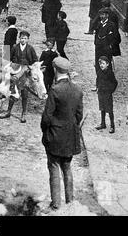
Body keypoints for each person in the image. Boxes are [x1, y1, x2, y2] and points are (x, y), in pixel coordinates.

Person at [41, 57, 83, 211]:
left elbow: (47, 117)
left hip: (55, 137)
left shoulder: (55, 90)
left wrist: (46, 132)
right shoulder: (78, 90)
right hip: (71, 137)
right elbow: (79, 115)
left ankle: (56, 204)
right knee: (67, 166)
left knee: (53, 168)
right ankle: (70, 200)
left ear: (55, 70)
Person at [0, 30, 38, 123]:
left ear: (28, 39)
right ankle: (8, 111)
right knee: (13, 91)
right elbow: (8, 59)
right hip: (15, 73)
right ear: (19, 38)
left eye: (25, 38)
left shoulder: (31, 48)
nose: (23, 40)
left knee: (24, 94)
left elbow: (35, 61)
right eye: (21, 38)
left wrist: (31, 68)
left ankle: (24, 113)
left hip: (25, 75)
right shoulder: (15, 47)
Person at [95, 56, 118, 134]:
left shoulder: (110, 73)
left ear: (107, 64)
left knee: (110, 110)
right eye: (100, 63)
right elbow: (97, 80)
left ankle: (112, 126)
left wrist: (110, 91)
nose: (101, 65)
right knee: (102, 109)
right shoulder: (99, 72)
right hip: (101, 93)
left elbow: (115, 83)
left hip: (107, 94)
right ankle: (103, 123)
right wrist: (97, 87)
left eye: (103, 63)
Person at [94, 8, 119, 74]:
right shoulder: (99, 24)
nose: (101, 16)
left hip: (107, 48)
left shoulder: (112, 25)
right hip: (99, 48)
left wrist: (111, 45)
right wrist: (96, 43)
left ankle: (108, 79)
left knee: (107, 64)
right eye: (100, 15)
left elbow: (116, 37)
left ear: (107, 15)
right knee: (98, 64)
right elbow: (96, 35)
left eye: (103, 15)